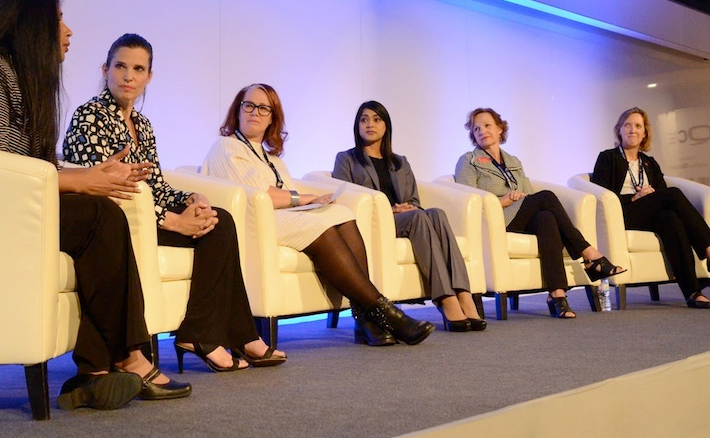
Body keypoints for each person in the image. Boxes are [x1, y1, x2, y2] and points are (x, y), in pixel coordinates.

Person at [0, 0, 191, 411]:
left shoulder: (24, 79)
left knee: (101, 215)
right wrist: (81, 180)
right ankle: (127, 358)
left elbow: (31, 164)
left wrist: (86, 179)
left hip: (13, 205)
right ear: (31, 27)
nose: (68, 32)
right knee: (100, 216)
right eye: (59, 21)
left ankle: (95, 372)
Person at [62, 33, 286, 371]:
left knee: (218, 218)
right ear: (105, 70)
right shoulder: (89, 115)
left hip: (144, 212)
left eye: (138, 69)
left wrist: (190, 200)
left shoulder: (142, 124)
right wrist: (172, 221)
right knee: (211, 225)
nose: (128, 76)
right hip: (115, 221)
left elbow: (156, 185)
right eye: (120, 66)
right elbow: (111, 188)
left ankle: (208, 333)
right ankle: (215, 336)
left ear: (149, 76)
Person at [203, 84, 435, 346]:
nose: (255, 112)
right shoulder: (226, 146)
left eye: (263, 108)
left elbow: (283, 194)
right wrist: (305, 199)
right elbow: (257, 194)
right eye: (249, 105)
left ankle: (365, 320)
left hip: (279, 217)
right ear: (238, 109)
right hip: (254, 223)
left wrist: (311, 202)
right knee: (319, 225)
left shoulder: (274, 160)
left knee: (342, 212)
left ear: (272, 118)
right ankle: (386, 314)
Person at [454, 107, 625, 319]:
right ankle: (589, 254)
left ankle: (557, 295)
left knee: (547, 218)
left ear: (500, 129)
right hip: (497, 219)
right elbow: (466, 199)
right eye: (476, 128)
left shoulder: (514, 162)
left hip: (521, 214)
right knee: (546, 197)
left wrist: (520, 198)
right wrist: (501, 201)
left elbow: (528, 194)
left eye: (487, 125)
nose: (481, 131)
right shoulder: (468, 161)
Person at [333, 101, 485, 332]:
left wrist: (407, 208)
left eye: (376, 119)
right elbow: (344, 200)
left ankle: (464, 293)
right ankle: (446, 299)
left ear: (386, 126)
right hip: (372, 224)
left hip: (404, 219)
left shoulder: (400, 162)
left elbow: (414, 201)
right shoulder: (347, 159)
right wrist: (390, 210)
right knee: (419, 218)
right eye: (364, 120)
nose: (369, 124)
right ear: (357, 126)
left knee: (436, 214)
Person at [591, 107, 710, 309]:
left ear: (645, 132)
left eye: (638, 126)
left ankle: (693, 292)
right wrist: (634, 197)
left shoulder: (649, 163)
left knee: (670, 219)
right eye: (627, 125)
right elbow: (601, 197)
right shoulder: (608, 158)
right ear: (619, 131)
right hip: (623, 214)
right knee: (673, 194)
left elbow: (663, 198)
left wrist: (651, 197)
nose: (632, 130)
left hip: (649, 216)